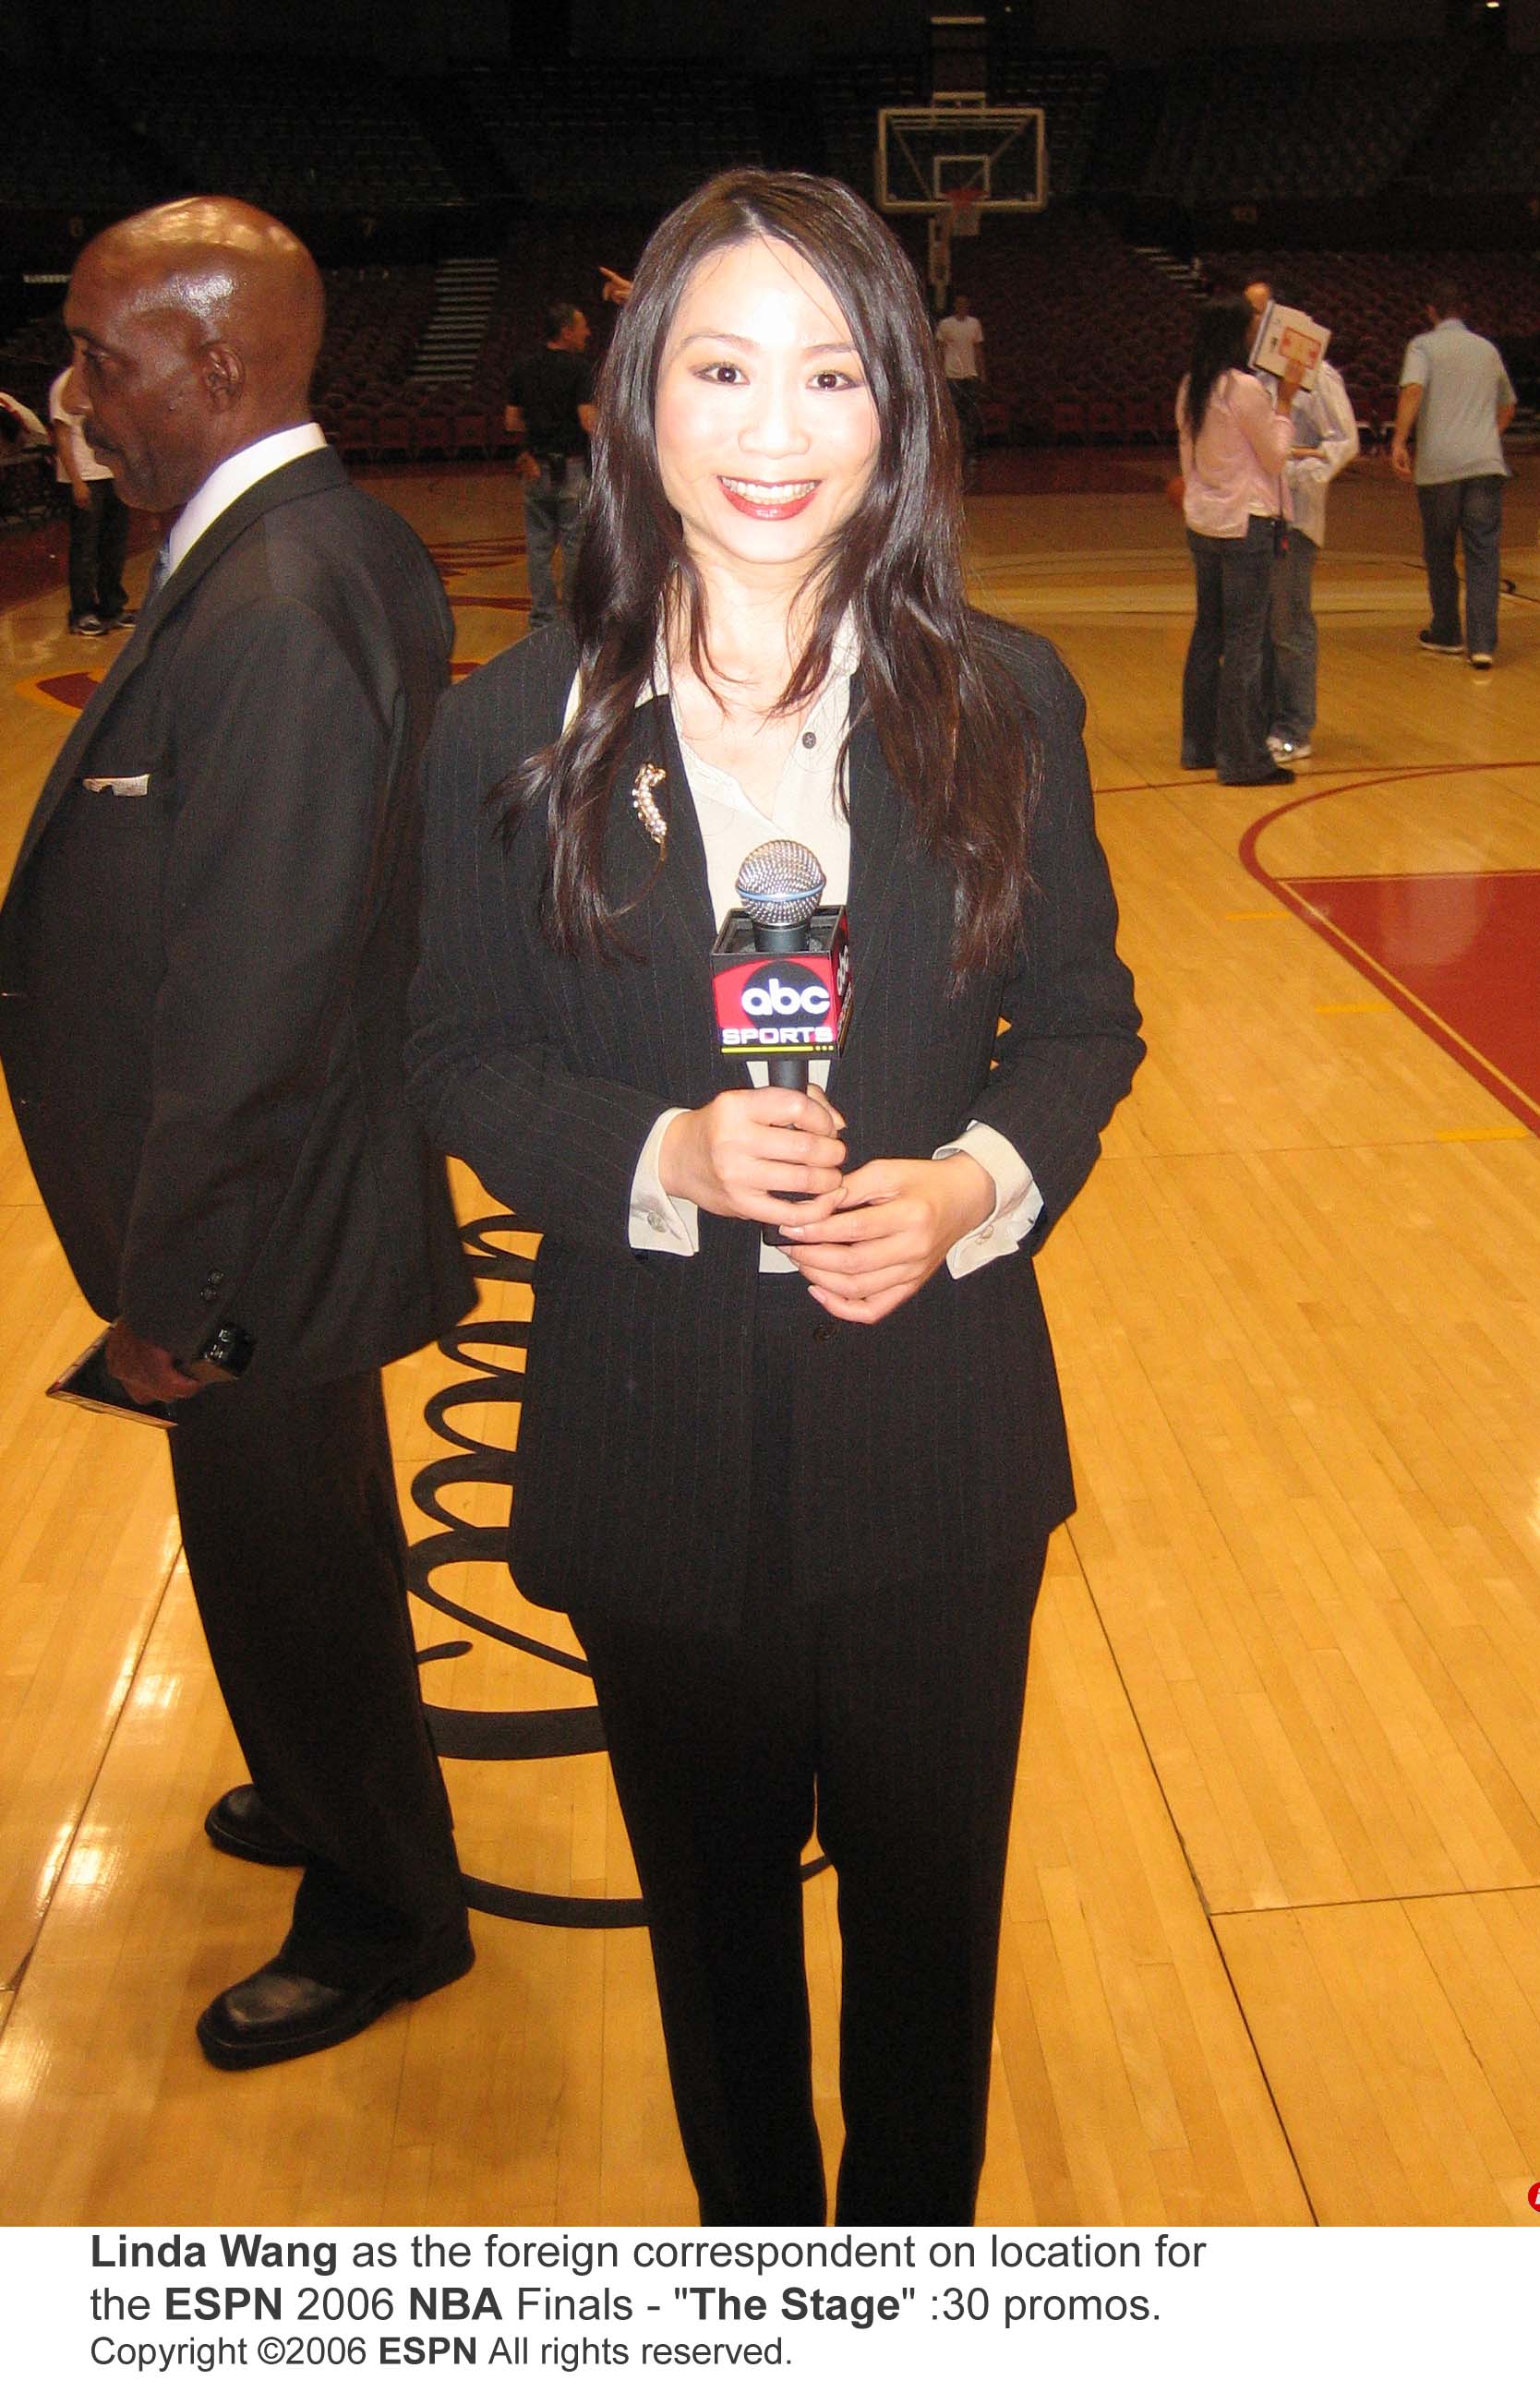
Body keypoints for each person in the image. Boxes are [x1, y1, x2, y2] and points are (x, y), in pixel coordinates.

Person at [407, 168, 1143, 2226]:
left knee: (934, 1937)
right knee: (715, 1948)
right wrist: (657, 1155)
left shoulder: (1007, 700)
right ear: (637, 400)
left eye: (834, 374)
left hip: (937, 1446)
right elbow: (454, 1054)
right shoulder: (506, 731)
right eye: (722, 369)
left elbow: (1085, 1025)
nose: (774, 429)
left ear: (901, 412)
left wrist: (973, 1188)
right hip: (649, 1450)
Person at [0, 198, 475, 2070]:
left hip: (255, 1222)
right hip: (270, 1198)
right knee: (293, 1546)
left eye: (104, 355)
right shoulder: (296, 543)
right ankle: (314, 1782)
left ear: (212, 363)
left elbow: (252, 994)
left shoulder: (275, 600)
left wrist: (175, 1289)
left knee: (297, 1567)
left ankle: (384, 1909)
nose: (75, 392)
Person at [1176, 295, 1302, 785]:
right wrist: (1287, 403)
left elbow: (1188, 462)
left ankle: (1198, 745)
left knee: (1208, 634)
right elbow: (1274, 458)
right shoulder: (1245, 389)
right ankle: (1243, 758)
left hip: (1204, 521)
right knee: (1245, 643)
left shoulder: (1191, 387)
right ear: (1235, 335)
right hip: (1246, 523)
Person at [1244, 279, 1359, 765]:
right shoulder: (1246, 381)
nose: (1252, 322)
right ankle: (1265, 717)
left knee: (1289, 622)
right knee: (1261, 623)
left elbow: (1344, 441)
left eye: (1259, 312)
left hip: (1295, 519)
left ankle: (1295, 724)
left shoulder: (1320, 378)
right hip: (1253, 516)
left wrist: (1295, 471)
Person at [1390, 281, 1515, 671]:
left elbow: (1412, 391)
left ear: (1431, 311)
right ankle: (1482, 645)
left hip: (1439, 467)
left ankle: (1446, 631)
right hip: (1485, 464)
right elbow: (1507, 406)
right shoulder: (1487, 349)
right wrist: (1483, 437)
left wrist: (1398, 440)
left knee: (1440, 550)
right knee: (1483, 553)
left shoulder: (1422, 346)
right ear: (1464, 310)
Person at [506, 301, 598, 631]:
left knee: (538, 547)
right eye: (583, 326)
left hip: (534, 468)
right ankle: (572, 618)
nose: (588, 333)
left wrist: (534, 438)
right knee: (575, 545)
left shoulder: (523, 366)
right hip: (571, 468)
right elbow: (588, 421)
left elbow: (512, 420)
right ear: (566, 331)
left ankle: (543, 620)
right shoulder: (579, 368)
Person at [49, 358, 133, 635]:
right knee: (85, 547)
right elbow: (61, 436)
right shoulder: (65, 386)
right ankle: (82, 612)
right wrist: (76, 481)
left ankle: (112, 605)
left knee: (115, 545)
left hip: (112, 474)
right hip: (86, 476)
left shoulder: (106, 385)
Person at [934, 290, 984, 481]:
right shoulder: (945, 325)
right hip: (951, 377)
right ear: (954, 306)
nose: (962, 307)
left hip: (969, 376)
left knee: (970, 418)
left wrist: (981, 373)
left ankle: (970, 455)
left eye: (965, 303)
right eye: (959, 304)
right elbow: (938, 349)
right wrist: (938, 375)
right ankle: (952, 455)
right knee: (952, 418)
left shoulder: (974, 324)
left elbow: (978, 349)